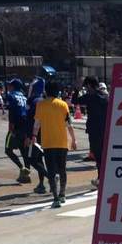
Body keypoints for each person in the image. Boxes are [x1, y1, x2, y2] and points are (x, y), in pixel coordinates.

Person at [32, 80, 77, 208]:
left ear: (46, 91)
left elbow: (37, 124)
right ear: (57, 91)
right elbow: (69, 124)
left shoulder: (41, 105)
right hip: (62, 142)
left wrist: (34, 136)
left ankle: (56, 198)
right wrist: (74, 139)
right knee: (62, 169)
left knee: (51, 171)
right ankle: (63, 193)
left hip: (48, 143)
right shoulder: (63, 105)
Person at [83, 76, 109, 187]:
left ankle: (101, 178)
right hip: (106, 129)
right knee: (105, 155)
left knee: (99, 156)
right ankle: (103, 177)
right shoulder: (106, 97)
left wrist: (77, 89)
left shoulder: (90, 97)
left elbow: (75, 100)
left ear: (89, 85)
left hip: (94, 130)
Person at [5, 78, 32, 183]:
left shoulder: (11, 96)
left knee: (8, 150)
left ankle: (22, 168)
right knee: (24, 152)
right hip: (25, 128)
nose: (9, 87)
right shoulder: (25, 97)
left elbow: (12, 112)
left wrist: (10, 127)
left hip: (15, 127)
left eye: (10, 85)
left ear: (13, 86)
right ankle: (26, 175)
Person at [25, 78, 49, 194]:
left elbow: (29, 120)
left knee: (33, 159)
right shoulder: (45, 100)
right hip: (47, 133)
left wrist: (29, 135)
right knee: (44, 158)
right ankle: (42, 183)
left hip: (36, 133)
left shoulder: (32, 101)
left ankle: (49, 178)